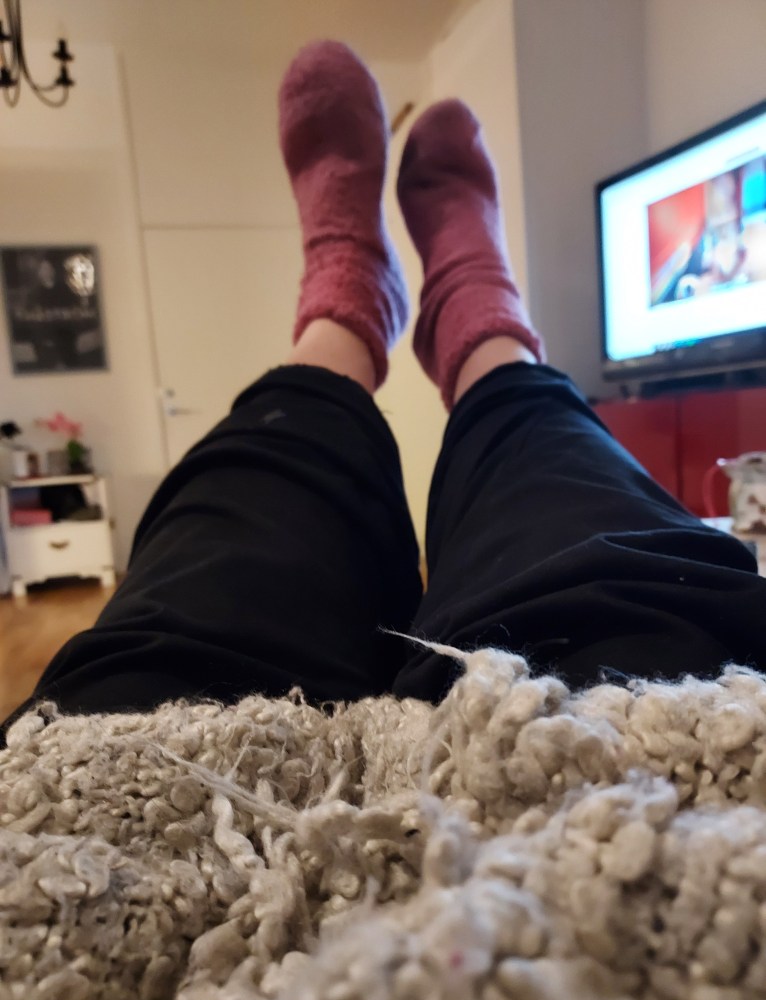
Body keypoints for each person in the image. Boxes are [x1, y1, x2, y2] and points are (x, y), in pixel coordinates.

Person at [4, 41, 766, 737]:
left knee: (233, 533)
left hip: (109, 780)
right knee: (554, 464)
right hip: (698, 742)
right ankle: (476, 316)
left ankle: (350, 307)